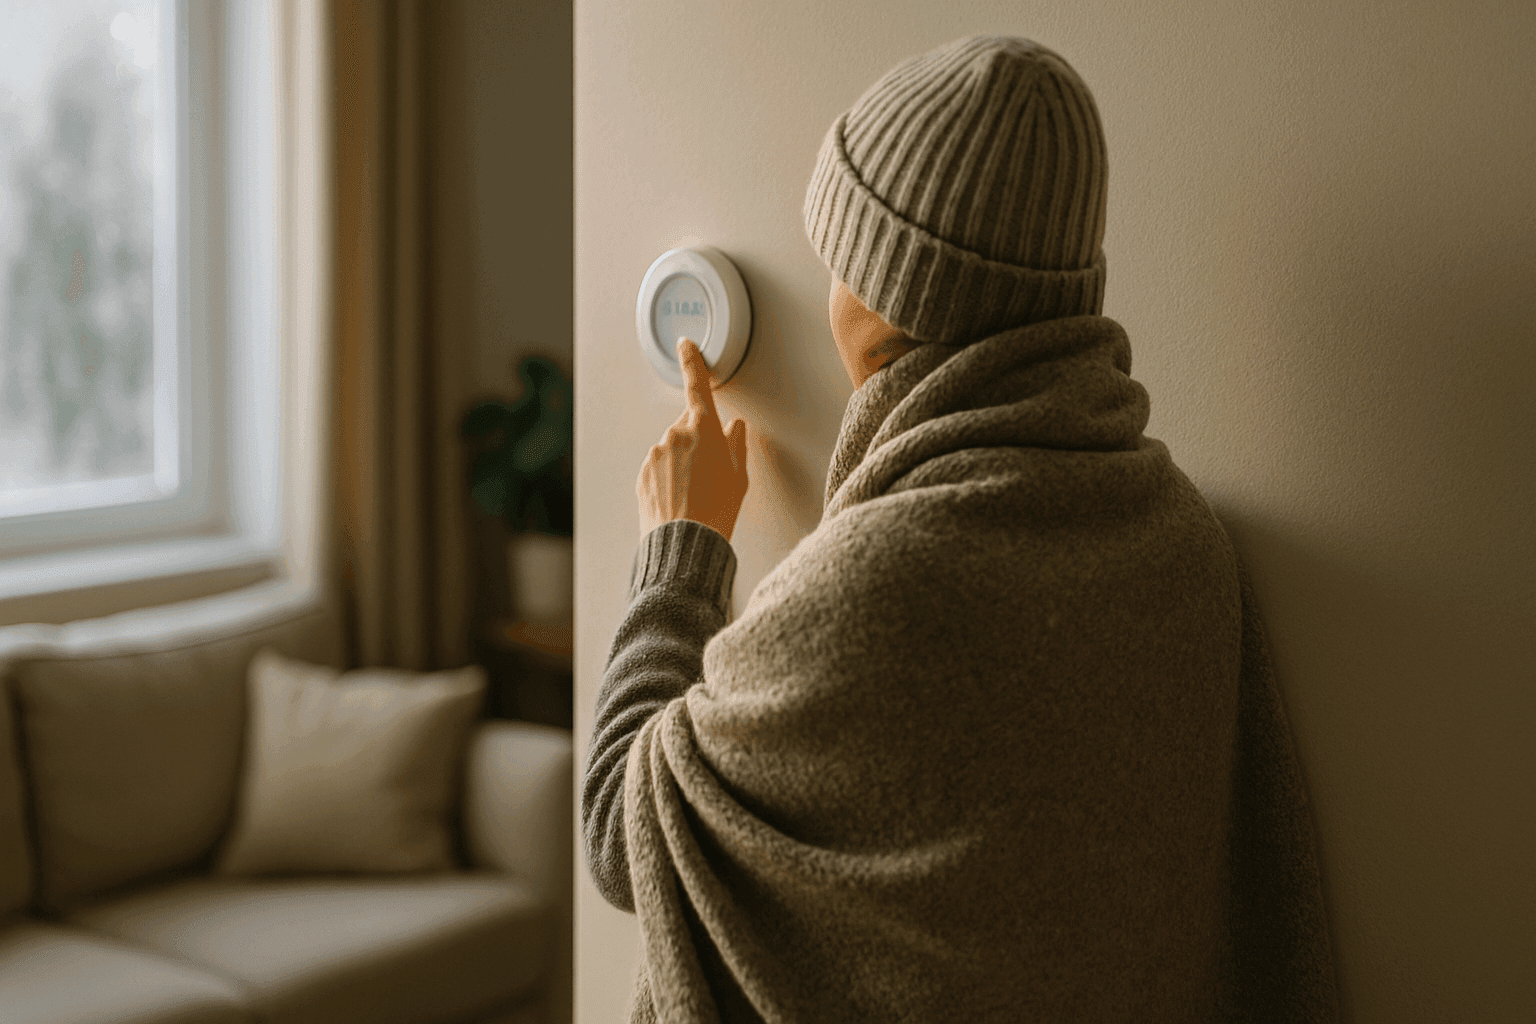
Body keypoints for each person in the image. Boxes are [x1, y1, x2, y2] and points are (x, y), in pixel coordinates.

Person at [583, 34, 1341, 1023]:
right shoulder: (1183, 538)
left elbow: (618, 828)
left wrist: (680, 547)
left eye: (837, 256)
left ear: (891, 290)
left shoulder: (871, 587)